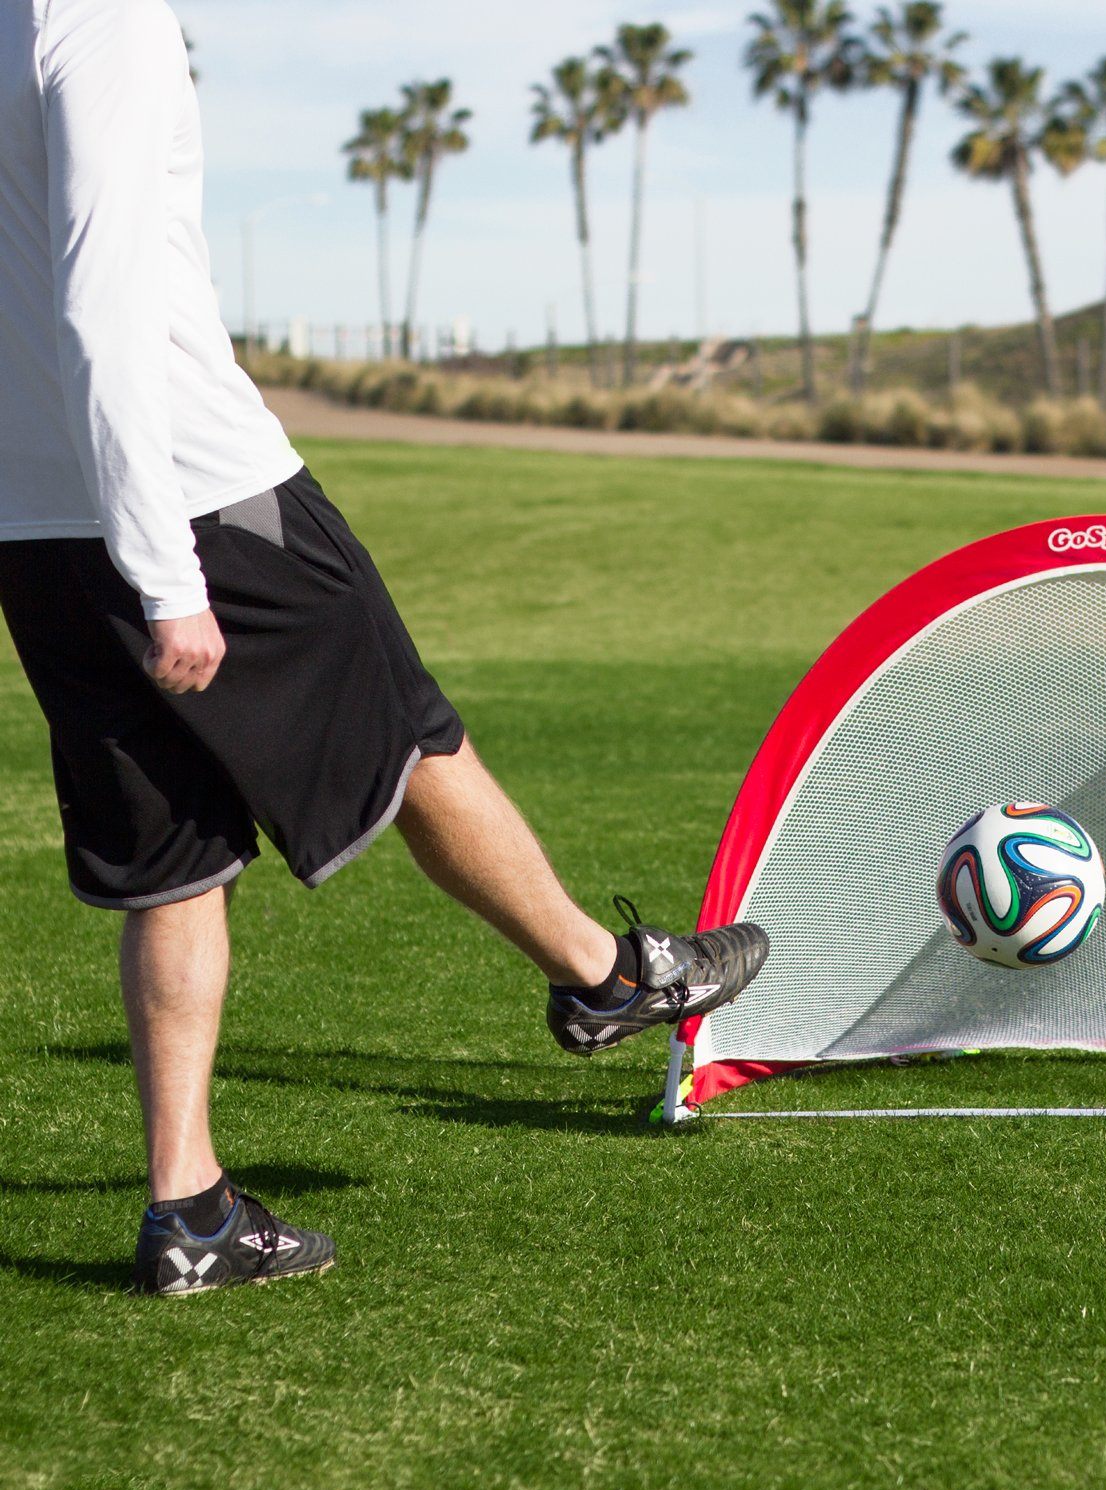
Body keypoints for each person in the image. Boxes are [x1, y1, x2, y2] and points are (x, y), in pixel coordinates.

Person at [0, 0, 768, 1297]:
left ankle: (186, 1211)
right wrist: (166, 570)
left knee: (174, 851)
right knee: (407, 726)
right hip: (199, 496)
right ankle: (607, 977)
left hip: (33, 520)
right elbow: (102, 298)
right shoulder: (106, 19)